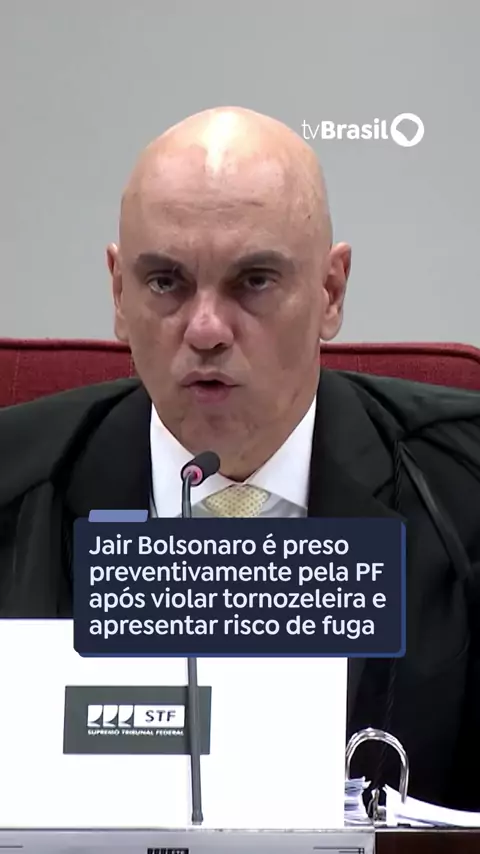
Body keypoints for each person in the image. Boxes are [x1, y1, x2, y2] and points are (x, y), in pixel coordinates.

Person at [1, 106, 480, 810]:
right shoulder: (13, 485)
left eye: (254, 280)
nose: (206, 330)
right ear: (118, 292)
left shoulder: (464, 488)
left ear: (331, 292)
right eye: (165, 282)